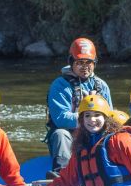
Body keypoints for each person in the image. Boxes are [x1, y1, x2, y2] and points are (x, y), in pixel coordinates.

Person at [45, 37, 112, 178]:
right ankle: (61, 175)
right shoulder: (60, 85)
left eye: (89, 62)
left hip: (96, 134)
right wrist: (89, 116)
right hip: (69, 137)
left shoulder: (102, 86)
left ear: (94, 63)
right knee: (60, 134)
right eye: (80, 62)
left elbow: (110, 117)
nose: (85, 66)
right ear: (71, 62)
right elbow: (61, 119)